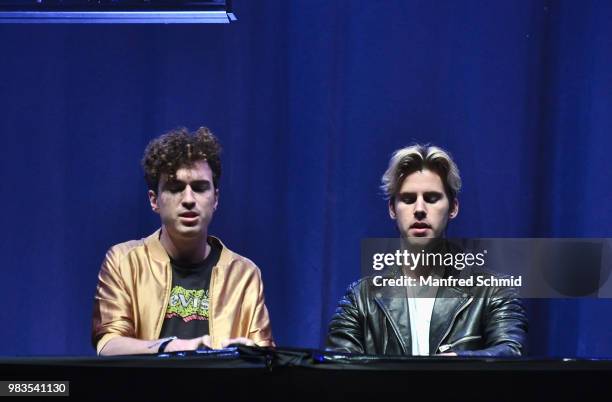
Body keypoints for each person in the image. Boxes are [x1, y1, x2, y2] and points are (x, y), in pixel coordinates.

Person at [326, 144, 527, 356]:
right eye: (408, 199)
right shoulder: (359, 301)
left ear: (453, 207)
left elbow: (511, 352)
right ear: (393, 209)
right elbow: (340, 369)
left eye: (432, 198)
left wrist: (456, 364)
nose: (420, 210)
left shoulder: (494, 292)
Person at [92, 127, 274, 355]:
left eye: (199, 188)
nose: (188, 199)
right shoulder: (124, 261)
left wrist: (247, 354)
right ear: (154, 200)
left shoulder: (244, 274)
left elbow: (267, 358)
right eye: (175, 188)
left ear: (215, 198)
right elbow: (108, 345)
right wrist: (174, 347)